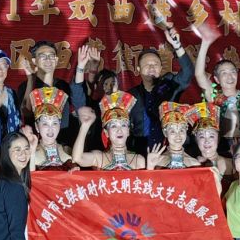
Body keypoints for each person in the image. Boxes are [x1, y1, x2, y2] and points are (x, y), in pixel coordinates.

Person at [127, 22, 194, 154]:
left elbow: (187, 72)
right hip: (138, 153)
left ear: (161, 68)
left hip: (169, 150)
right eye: (147, 64)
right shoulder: (130, 96)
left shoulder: (169, 85)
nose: (152, 67)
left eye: (155, 64)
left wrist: (177, 46)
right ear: (138, 69)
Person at [195, 29, 240, 151]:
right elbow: (199, 75)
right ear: (217, 79)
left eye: (233, 72)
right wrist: (205, 43)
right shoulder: (214, 97)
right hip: (220, 150)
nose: (230, 76)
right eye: (224, 73)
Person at [17, 40, 74, 145]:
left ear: (56, 60)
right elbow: (25, 113)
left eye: (51, 56)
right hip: (35, 144)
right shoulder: (26, 86)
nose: (48, 59)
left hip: (62, 145)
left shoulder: (63, 86)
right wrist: (30, 79)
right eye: (43, 56)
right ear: (34, 61)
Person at [72, 92, 146, 170]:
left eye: (123, 125)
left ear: (128, 131)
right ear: (106, 133)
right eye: (114, 126)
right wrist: (85, 125)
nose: (119, 130)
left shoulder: (138, 160)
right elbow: (77, 158)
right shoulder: (99, 157)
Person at [29, 87, 77, 171]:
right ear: (37, 127)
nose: (50, 128)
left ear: (59, 125)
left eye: (54, 123)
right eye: (45, 124)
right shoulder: (30, 152)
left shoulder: (68, 151)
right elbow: (29, 177)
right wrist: (32, 153)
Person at [185, 102, 234, 179]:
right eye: (202, 136)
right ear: (196, 139)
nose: (207, 141)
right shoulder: (190, 165)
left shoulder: (233, 164)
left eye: (211, 136)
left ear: (218, 138)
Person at [146, 102, 201, 170]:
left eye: (181, 130)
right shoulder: (156, 161)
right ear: (165, 133)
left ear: (186, 131)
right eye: (172, 131)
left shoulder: (194, 163)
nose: (178, 135)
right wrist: (150, 167)